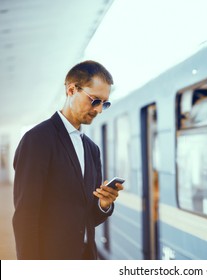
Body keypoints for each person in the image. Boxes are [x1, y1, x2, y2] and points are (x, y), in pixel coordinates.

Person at [13, 60, 124, 260]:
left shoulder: (92, 149)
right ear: (72, 90)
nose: (99, 110)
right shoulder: (37, 140)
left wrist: (103, 204)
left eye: (104, 103)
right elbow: (25, 216)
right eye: (94, 100)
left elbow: (87, 218)